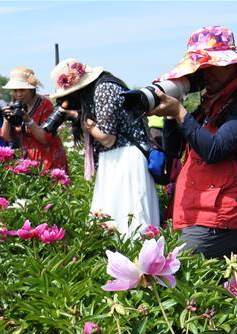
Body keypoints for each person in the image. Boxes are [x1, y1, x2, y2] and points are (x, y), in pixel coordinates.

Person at [149, 26, 237, 258]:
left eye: (214, 66)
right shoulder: (215, 102)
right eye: (202, 68)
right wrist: (171, 112)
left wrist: (180, 112)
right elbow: (174, 149)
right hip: (198, 212)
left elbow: (214, 149)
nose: (206, 73)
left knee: (174, 272)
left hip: (223, 218)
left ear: (234, 65)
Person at [48, 59, 159, 235]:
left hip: (125, 157)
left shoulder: (104, 89)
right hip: (117, 158)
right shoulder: (101, 87)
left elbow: (107, 138)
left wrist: (81, 118)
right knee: (113, 220)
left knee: (128, 221)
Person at [0, 67, 68, 173]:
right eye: (15, 90)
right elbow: (5, 137)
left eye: (22, 90)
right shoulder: (14, 106)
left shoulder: (45, 104)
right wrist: (6, 119)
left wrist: (28, 120)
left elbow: (45, 139)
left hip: (48, 158)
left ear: (31, 89)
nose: (18, 94)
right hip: (28, 159)